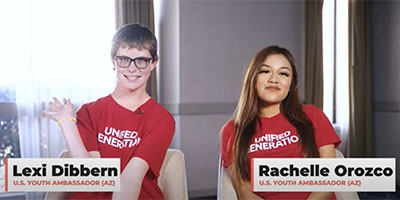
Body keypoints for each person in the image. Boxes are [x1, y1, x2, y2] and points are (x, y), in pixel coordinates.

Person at [44, 23, 175, 200]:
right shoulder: (89, 112)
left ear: (153, 63)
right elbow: (92, 174)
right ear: (114, 60)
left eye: (142, 61)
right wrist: (66, 122)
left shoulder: (162, 120)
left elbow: (131, 180)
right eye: (124, 59)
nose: (132, 68)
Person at [220, 45, 341, 199]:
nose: (274, 79)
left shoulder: (312, 116)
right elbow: (244, 191)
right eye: (265, 71)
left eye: (283, 74)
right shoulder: (232, 131)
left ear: (291, 85)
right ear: (253, 78)